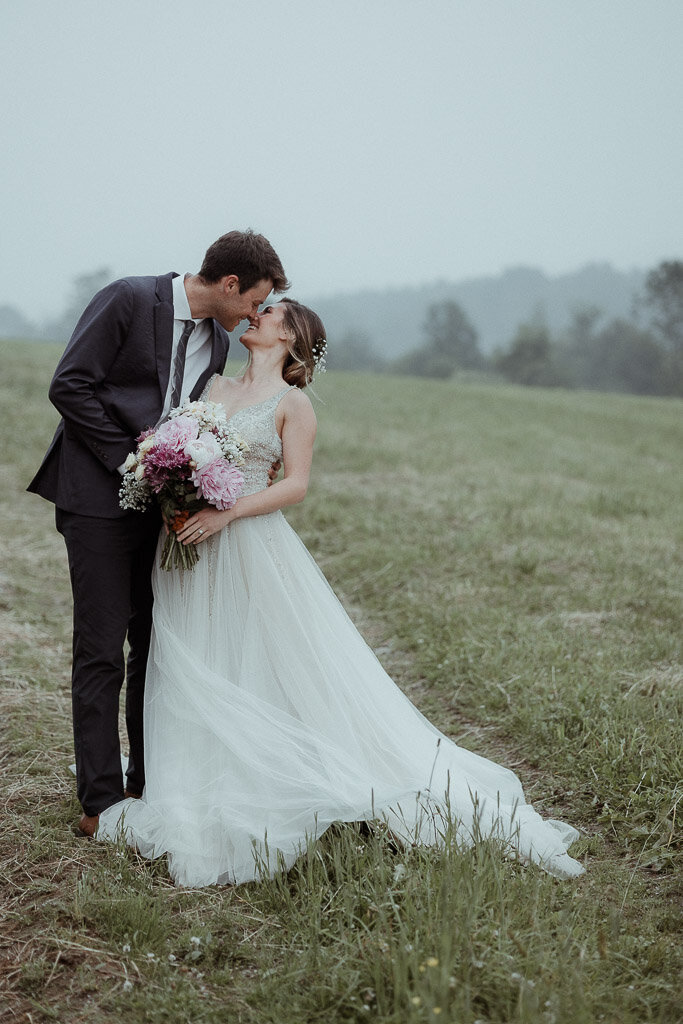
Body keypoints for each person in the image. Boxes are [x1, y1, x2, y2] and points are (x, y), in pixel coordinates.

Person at [96, 298, 585, 886]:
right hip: (186, 548)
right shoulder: (215, 386)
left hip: (249, 545)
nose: (255, 314)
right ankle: (189, 781)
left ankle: (270, 783)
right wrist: (174, 483)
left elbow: (296, 485)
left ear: (293, 336)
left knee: (264, 659)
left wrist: (227, 514)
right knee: (191, 656)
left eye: (270, 312)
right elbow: (183, 449)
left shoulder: (294, 405)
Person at [27, 230, 289, 838]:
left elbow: (193, 418)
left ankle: (149, 783)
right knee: (101, 648)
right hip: (95, 499)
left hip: (162, 512)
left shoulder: (216, 346)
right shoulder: (126, 299)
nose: (256, 315)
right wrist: (133, 461)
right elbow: (69, 385)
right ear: (229, 287)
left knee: (157, 645)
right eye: (254, 302)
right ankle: (100, 802)